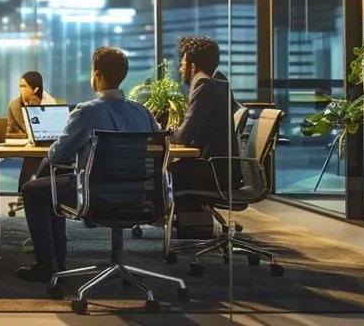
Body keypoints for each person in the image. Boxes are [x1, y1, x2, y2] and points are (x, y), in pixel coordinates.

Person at [15, 46, 155, 283]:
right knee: (49, 184)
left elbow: (58, 154)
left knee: (34, 189)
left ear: (97, 75)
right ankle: (55, 263)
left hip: (95, 193)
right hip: (139, 194)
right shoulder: (143, 113)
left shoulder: (86, 112)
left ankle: (49, 264)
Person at [169, 35, 238, 195]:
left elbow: (184, 136)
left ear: (192, 67)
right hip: (222, 170)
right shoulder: (218, 83)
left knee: (162, 173)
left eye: (183, 64)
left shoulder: (203, 85)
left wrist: (163, 134)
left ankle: (164, 218)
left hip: (214, 171)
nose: (180, 69)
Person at [7, 70, 58, 190]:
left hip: (47, 147)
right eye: (20, 86)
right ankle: (27, 191)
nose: (21, 89)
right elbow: (9, 132)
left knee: (36, 159)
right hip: (27, 147)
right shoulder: (14, 105)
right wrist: (26, 137)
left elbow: (48, 131)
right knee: (32, 157)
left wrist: (34, 108)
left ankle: (29, 191)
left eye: (24, 86)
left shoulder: (50, 103)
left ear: (35, 89)